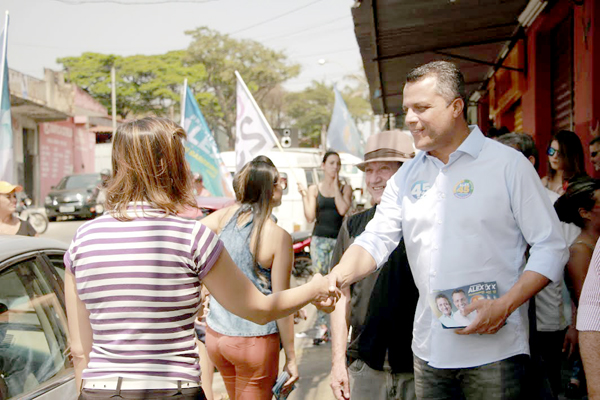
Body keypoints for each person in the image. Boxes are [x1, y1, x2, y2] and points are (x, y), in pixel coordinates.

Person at [319, 61, 568, 399]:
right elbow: (375, 240)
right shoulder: (407, 177)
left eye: (421, 108)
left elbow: (551, 246)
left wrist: (506, 305)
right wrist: (339, 275)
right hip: (428, 353)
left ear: (455, 108)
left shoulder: (507, 166)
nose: (409, 118)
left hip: (495, 354)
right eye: (406, 108)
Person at [64, 117, 336, 400]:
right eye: (181, 157)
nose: (188, 168)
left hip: (99, 390)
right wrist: (315, 287)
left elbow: (80, 350)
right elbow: (261, 309)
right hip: (172, 390)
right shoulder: (191, 237)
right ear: (163, 166)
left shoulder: (82, 239)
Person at [328, 130, 418, 400]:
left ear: (406, 172)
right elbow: (339, 297)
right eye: (369, 170)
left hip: (419, 366)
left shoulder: (424, 224)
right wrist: (337, 363)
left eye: (384, 169)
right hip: (366, 365)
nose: (374, 179)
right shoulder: (353, 226)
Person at [201, 155, 298, 400]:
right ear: (268, 188)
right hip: (254, 341)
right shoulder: (278, 236)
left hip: (217, 337)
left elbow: (191, 233)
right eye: (279, 182)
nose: (282, 187)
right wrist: (292, 357)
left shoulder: (225, 217)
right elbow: (280, 304)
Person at [498, 132, 580, 398]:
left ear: (529, 161)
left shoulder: (553, 203)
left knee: (547, 388)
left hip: (546, 325)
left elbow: (572, 264)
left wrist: (575, 324)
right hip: (502, 323)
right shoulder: (491, 204)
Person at [298, 150, 352, 342]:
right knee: (321, 281)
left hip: (338, 240)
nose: (335, 167)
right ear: (323, 166)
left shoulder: (345, 188)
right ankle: (322, 326)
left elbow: (343, 209)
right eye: (331, 163)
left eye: (338, 163)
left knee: (338, 281)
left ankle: (338, 323)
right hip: (319, 240)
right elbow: (310, 216)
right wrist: (305, 196)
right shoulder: (315, 189)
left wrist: (336, 185)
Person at [542, 130, 587, 194]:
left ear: (571, 156)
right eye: (551, 151)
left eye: (560, 153)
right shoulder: (544, 182)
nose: (554, 156)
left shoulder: (580, 186)